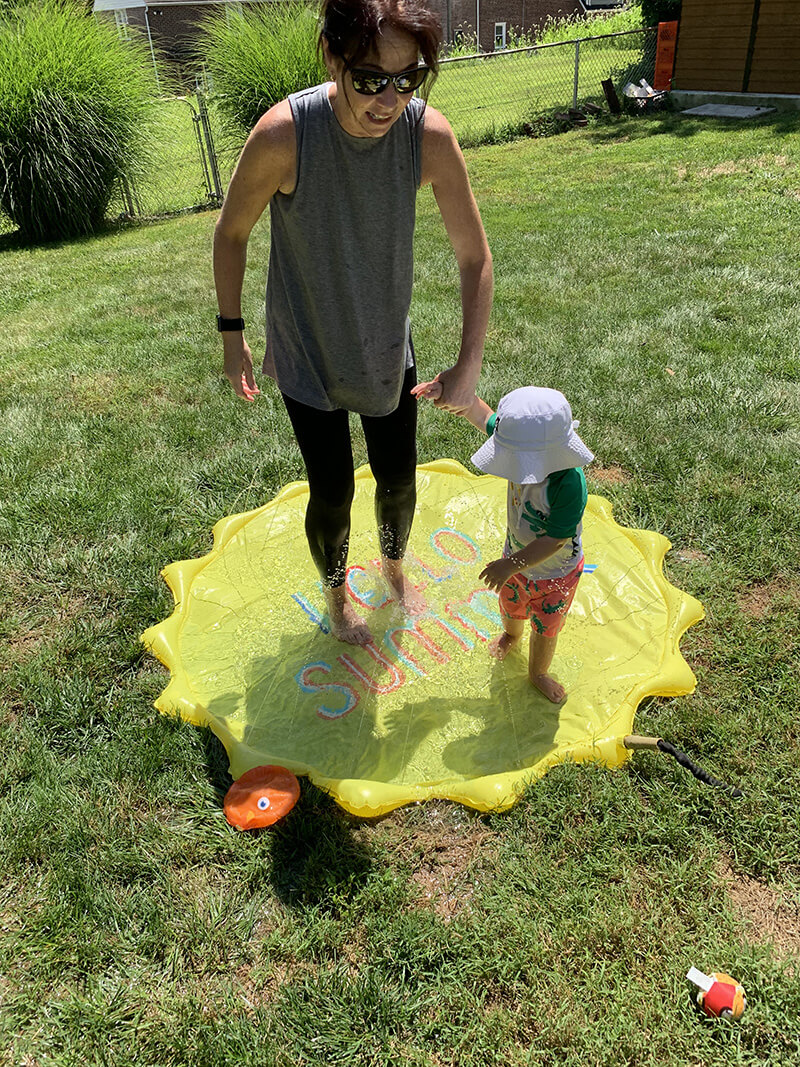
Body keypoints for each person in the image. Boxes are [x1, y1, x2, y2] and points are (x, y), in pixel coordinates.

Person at [213, 0, 493, 646]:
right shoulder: (285, 136)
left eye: (408, 79)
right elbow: (231, 233)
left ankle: (394, 570)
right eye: (370, 79)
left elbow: (475, 256)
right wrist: (234, 335)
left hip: (384, 344)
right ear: (333, 57)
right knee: (332, 489)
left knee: (398, 478)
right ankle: (338, 600)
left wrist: (469, 363)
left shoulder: (428, 138)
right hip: (307, 343)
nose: (388, 99)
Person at [412, 382, 594, 702]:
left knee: (545, 625)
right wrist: (450, 393)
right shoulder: (522, 437)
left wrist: (510, 564)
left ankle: (538, 672)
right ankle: (511, 634)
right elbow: (479, 413)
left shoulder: (568, 483)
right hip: (515, 558)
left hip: (556, 573)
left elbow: (554, 540)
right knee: (511, 605)